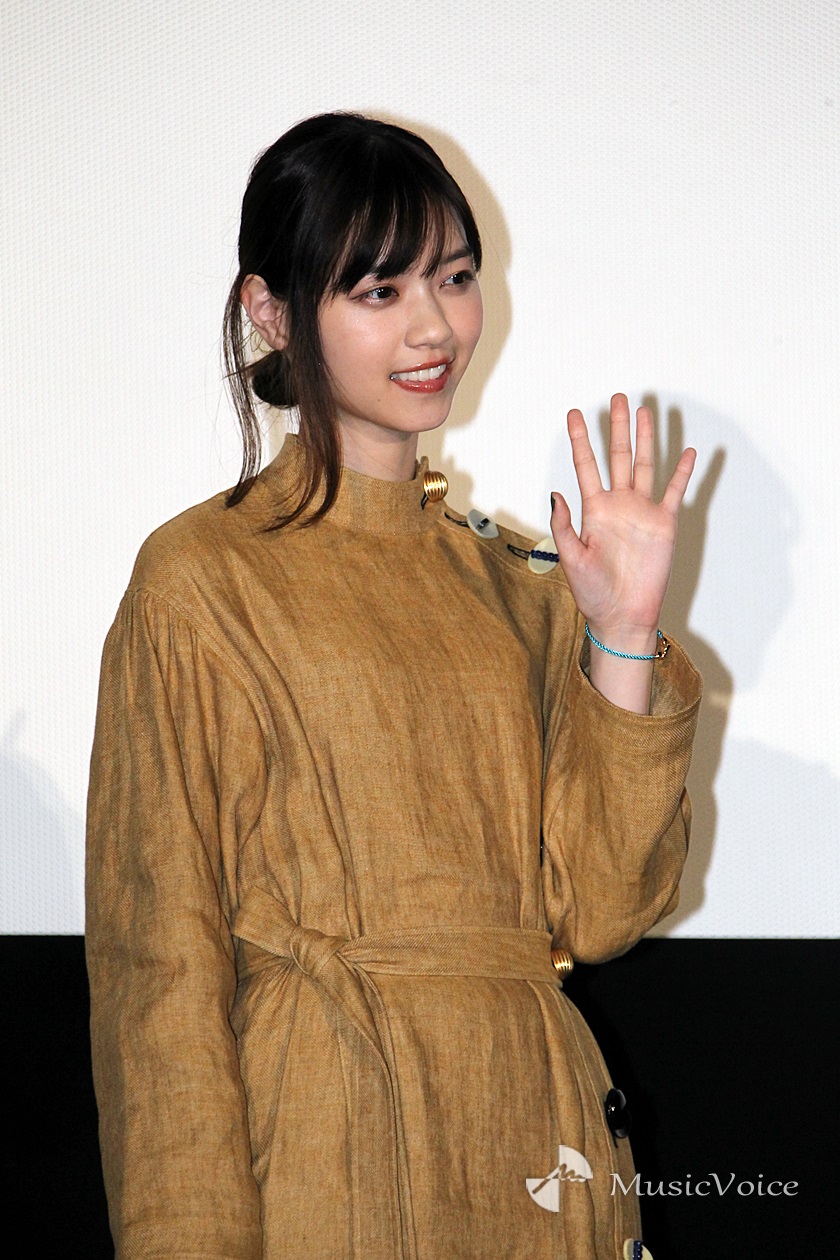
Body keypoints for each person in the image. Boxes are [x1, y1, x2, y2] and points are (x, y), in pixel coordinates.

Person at [85, 112, 702, 1260]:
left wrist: (622, 633)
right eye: (380, 291)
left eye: (455, 279)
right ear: (272, 311)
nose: (435, 327)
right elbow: (157, 975)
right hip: (331, 1147)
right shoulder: (201, 580)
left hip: (531, 1136)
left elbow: (603, 910)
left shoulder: (518, 587)